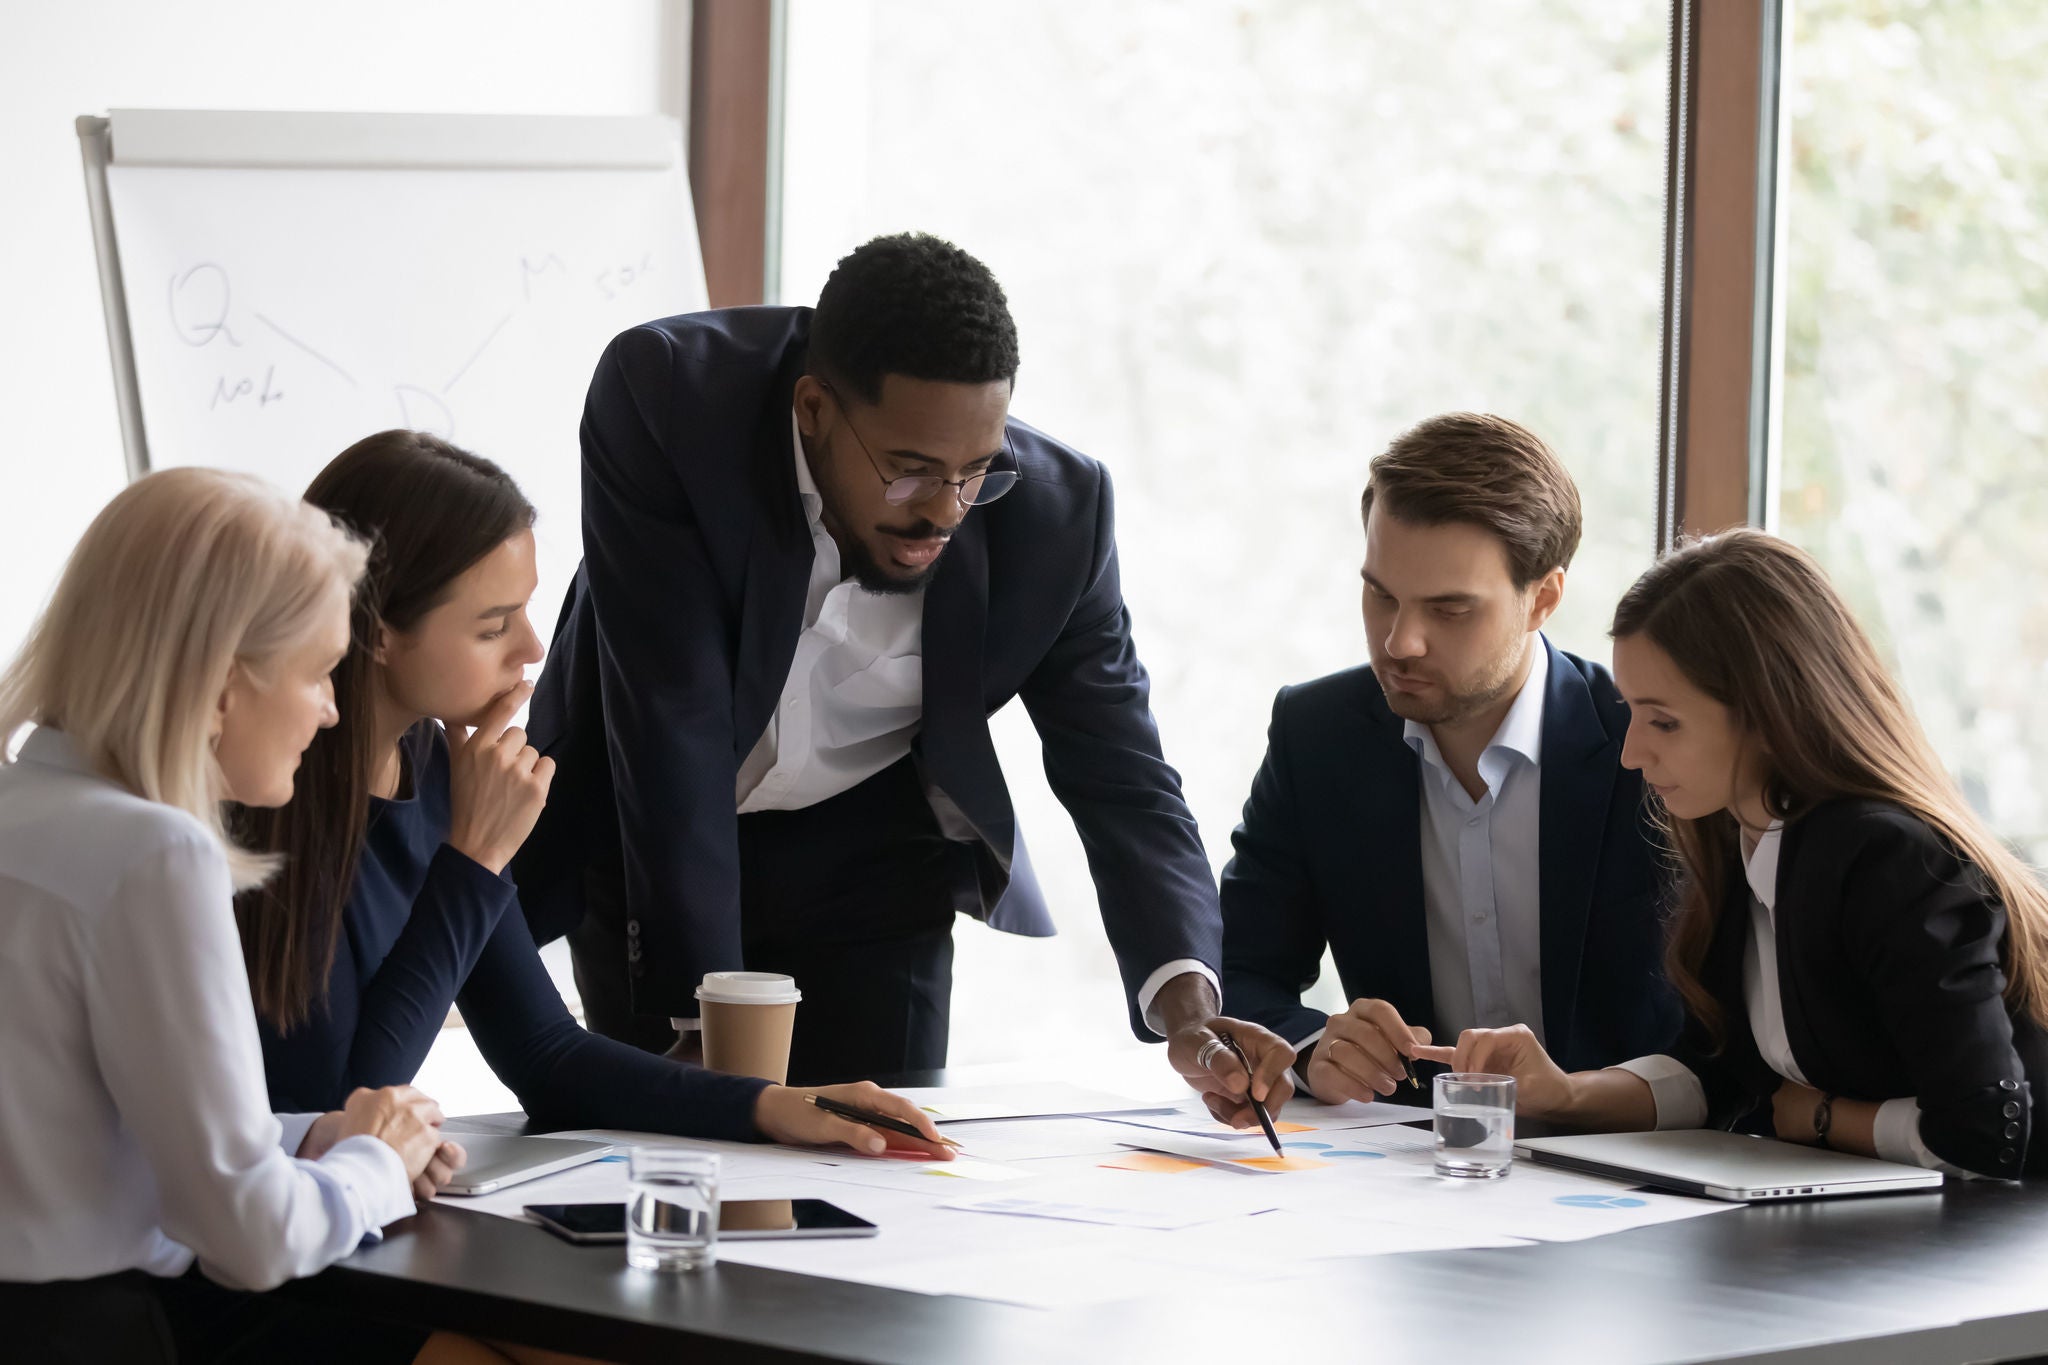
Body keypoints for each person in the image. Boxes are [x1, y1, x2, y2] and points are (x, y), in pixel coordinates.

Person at [515, 232, 1291, 1121]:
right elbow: (671, 718)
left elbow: (1122, 772)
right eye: (910, 471)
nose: (943, 511)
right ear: (813, 409)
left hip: (873, 858)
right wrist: (703, 1021)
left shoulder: (1057, 516)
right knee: (671, 1159)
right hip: (658, 837)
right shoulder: (668, 400)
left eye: (975, 472)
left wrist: (1193, 1013)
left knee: (885, 1166)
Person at [230, 430, 954, 1162]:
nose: (533, 649)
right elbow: (335, 1114)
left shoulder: (440, 769)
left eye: (524, 611)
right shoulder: (267, 796)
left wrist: (772, 1104)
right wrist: (476, 860)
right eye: (493, 626)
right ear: (378, 631)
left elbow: (545, 1052)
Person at [0, 468, 464, 1362]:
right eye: (320, 672)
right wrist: (377, 1167)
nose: (332, 711)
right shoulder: (154, 856)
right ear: (220, 687)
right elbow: (251, 1234)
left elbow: (86, 1131)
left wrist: (316, 1134)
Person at [1414, 528, 2048, 1179]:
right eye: (1630, 712)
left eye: (1663, 721)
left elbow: (1985, 1133)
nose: (1632, 753)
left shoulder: (1884, 857)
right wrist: (1564, 1091)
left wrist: (1821, 1117)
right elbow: (1718, 1074)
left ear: (1768, 712)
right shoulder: (1742, 838)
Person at [1221, 414, 1679, 1105]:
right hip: (1404, 1167)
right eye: (1381, 594)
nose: (1400, 641)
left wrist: (1580, 1098)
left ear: (1543, 599)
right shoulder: (1317, 733)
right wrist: (1315, 1049)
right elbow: (1239, 968)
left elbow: (1720, 1030)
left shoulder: (1645, 744)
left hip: (1624, 1162)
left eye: (1450, 609)